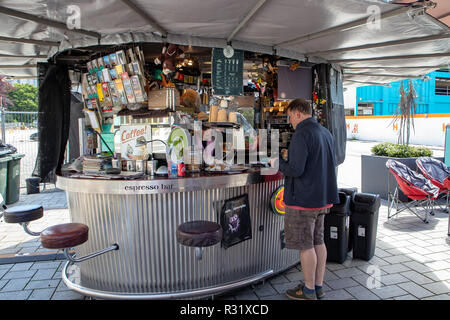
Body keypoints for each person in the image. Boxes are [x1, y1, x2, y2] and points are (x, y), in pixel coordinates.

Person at [269, 98, 339, 300]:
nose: (290, 121)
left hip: (303, 200)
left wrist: (278, 162)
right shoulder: (325, 132)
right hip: (322, 199)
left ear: (298, 113)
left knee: (305, 245)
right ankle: (318, 286)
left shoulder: (301, 134)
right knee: (318, 241)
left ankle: (308, 290)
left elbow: (295, 170)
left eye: (290, 116)